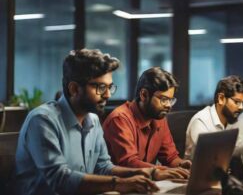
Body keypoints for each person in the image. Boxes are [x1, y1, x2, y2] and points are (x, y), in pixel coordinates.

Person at [15, 49, 159, 195]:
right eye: (100, 87)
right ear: (74, 89)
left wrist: (148, 173)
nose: (108, 95)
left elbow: (103, 167)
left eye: (110, 87)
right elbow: (60, 179)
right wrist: (119, 184)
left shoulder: (93, 120)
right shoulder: (42, 120)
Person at [103, 67, 192, 172]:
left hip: (143, 183)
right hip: (118, 185)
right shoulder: (120, 119)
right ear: (144, 95)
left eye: (170, 100)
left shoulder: (159, 117)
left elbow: (170, 158)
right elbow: (129, 163)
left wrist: (182, 164)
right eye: (163, 99)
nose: (168, 105)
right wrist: (164, 171)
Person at [185, 75, 243, 160]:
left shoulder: (232, 119)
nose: (241, 107)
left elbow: (240, 152)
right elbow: (208, 158)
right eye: (237, 102)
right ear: (221, 98)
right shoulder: (200, 122)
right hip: (199, 171)